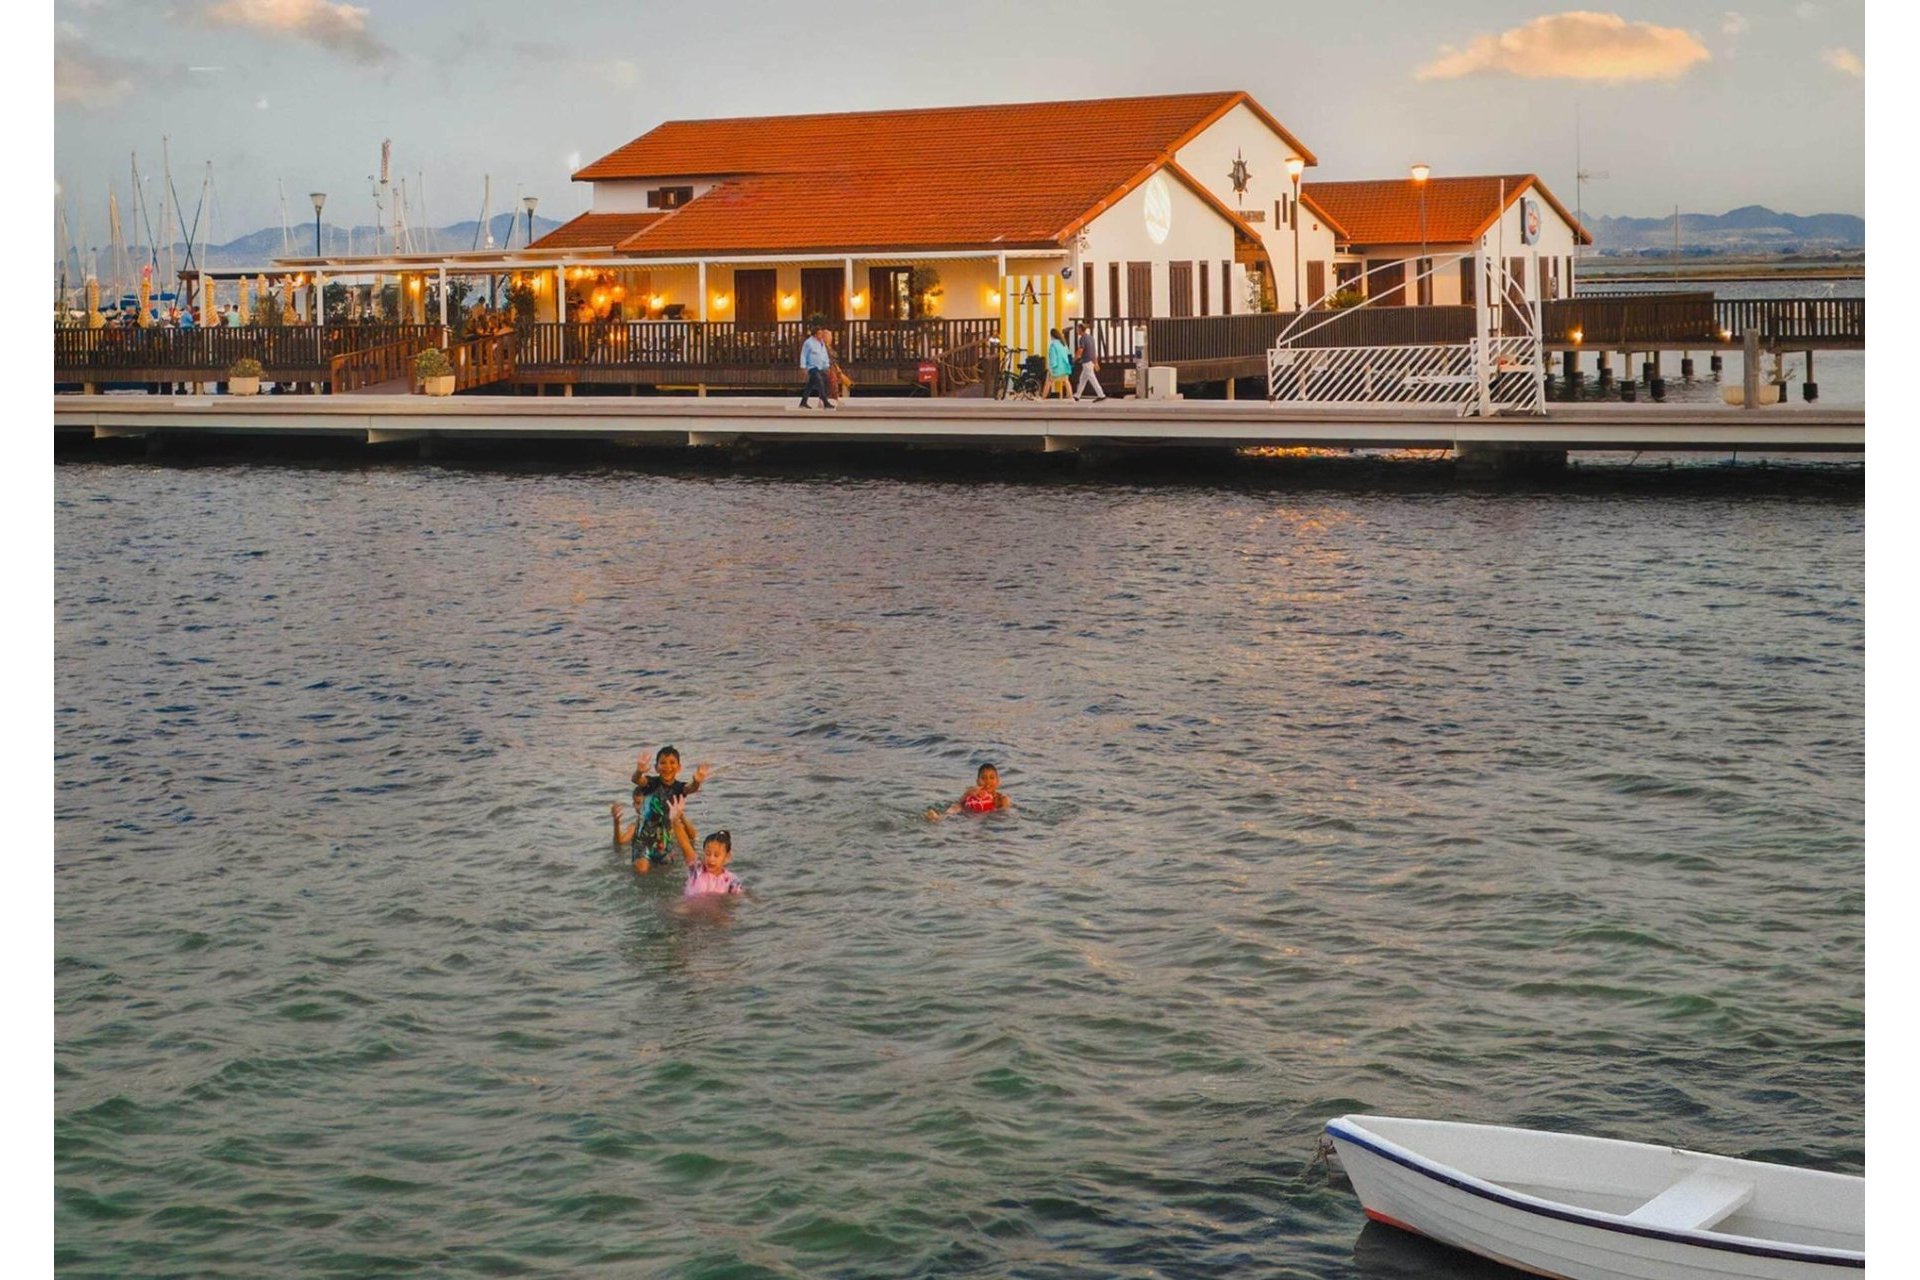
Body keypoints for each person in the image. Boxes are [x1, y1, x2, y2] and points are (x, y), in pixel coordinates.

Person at [611, 745, 711, 874]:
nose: (667, 766)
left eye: (672, 762)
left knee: (666, 873)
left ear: (679, 767)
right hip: (643, 840)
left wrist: (697, 782)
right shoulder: (651, 783)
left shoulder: (680, 788)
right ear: (656, 768)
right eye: (663, 763)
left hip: (664, 841)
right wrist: (639, 771)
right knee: (642, 869)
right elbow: (637, 780)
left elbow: (691, 788)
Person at [670, 801, 744, 896]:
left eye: (716, 855)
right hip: (690, 905)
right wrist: (674, 820)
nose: (711, 859)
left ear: (727, 857)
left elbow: (738, 899)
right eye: (708, 854)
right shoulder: (697, 869)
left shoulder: (731, 881)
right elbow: (685, 845)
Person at [926, 762, 1013, 820]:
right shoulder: (972, 793)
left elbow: (1005, 813)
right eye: (983, 778)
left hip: (988, 818)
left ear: (998, 781)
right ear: (977, 782)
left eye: (992, 777)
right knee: (957, 805)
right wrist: (967, 794)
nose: (988, 781)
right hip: (968, 813)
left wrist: (997, 807)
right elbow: (960, 802)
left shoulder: (1001, 799)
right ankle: (941, 817)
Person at [798, 326, 836, 409]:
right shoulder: (808, 343)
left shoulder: (821, 342)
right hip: (812, 367)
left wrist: (826, 365)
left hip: (820, 367)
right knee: (820, 382)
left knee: (810, 385)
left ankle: (803, 402)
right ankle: (825, 402)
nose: (821, 335)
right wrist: (803, 366)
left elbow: (824, 354)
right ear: (815, 334)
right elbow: (803, 354)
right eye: (819, 333)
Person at [1074, 321, 1107, 402]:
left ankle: (1101, 395)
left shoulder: (1082, 338)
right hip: (1091, 361)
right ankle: (1077, 395)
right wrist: (1096, 362)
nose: (1076, 330)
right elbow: (1093, 351)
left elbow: (1081, 350)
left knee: (1092, 378)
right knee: (1082, 379)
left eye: (1077, 329)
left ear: (1080, 329)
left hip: (1086, 362)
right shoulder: (1091, 337)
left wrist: (1075, 358)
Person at [1045, 328, 1074, 399]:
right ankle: (1071, 397)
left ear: (1052, 336)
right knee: (1066, 382)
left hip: (1056, 368)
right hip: (1065, 367)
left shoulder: (1053, 345)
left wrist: (1052, 367)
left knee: (1048, 382)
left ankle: (1043, 397)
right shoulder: (1064, 344)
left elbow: (1053, 357)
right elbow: (1068, 354)